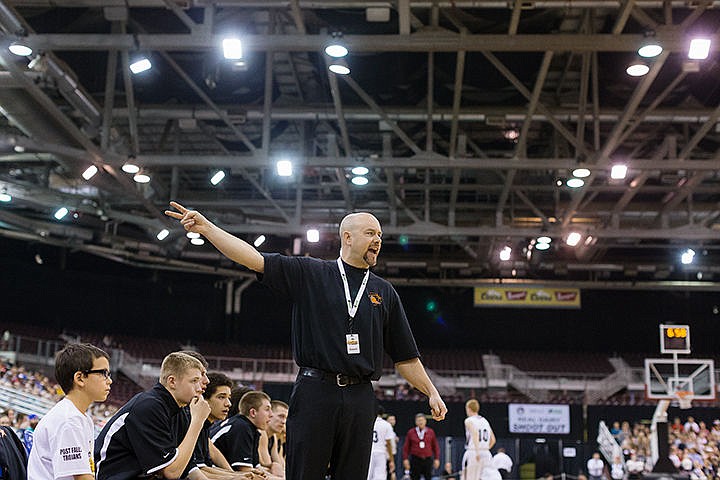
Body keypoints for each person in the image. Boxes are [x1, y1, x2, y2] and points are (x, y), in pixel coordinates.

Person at [166, 202, 448, 480]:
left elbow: (406, 357)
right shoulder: (311, 272)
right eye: (371, 233)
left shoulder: (384, 292)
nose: (378, 241)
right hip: (315, 390)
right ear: (347, 237)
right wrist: (207, 228)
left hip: (361, 396)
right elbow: (253, 258)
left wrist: (430, 391)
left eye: (380, 236)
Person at [94, 352, 211, 479]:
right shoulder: (149, 406)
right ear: (172, 381)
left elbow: (187, 468)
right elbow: (171, 473)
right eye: (194, 381)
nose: (200, 388)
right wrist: (197, 421)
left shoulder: (179, 410)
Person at [27, 343, 112, 480]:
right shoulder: (69, 420)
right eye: (103, 374)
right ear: (79, 378)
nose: (110, 381)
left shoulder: (80, 417)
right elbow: (82, 478)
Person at [210, 390, 282, 478]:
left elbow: (256, 468)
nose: (271, 414)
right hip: (211, 472)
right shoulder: (241, 427)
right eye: (267, 409)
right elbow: (244, 470)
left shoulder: (252, 429)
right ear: (253, 412)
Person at [462, 399, 495, 480]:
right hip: (486, 453)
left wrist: (477, 451)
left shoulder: (468, 420)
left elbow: (475, 434)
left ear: (468, 408)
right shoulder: (485, 421)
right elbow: (493, 440)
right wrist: (485, 449)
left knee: (468, 477)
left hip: (473, 452)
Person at [402, 413, 440, 480]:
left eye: (422, 420)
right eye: (419, 420)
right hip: (415, 459)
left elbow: (435, 446)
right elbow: (406, 447)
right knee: (415, 477)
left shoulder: (430, 432)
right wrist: (405, 459)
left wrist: (437, 458)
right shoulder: (411, 432)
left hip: (427, 459)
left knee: (428, 477)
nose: (421, 422)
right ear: (416, 422)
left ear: (425, 421)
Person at [368, 405, 395, 480]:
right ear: (382, 414)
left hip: (369, 452)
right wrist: (391, 460)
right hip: (381, 453)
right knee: (380, 476)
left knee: (368, 475)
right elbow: (389, 443)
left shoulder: (368, 423)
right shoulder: (386, 425)